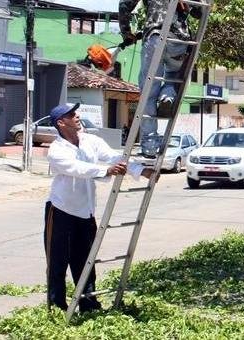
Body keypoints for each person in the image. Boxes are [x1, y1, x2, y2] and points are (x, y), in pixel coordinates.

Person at [45, 103, 156, 312]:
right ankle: (57, 307)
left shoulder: (91, 141)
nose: (77, 116)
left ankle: (88, 304)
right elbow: (76, 168)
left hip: (86, 212)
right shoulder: (56, 150)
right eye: (71, 115)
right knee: (57, 262)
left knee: (86, 260)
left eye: (75, 112)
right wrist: (106, 171)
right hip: (61, 211)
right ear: (61, 123)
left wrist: (141, 170)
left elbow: (115, 157)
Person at [119, 0, 202, 152]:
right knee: (176, 74)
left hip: (155, 37)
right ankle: (167, 96)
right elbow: (198, 12)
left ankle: (149, 146)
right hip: (179, 41)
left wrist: (126, 33)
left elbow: (125, 4)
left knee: (149, 92)